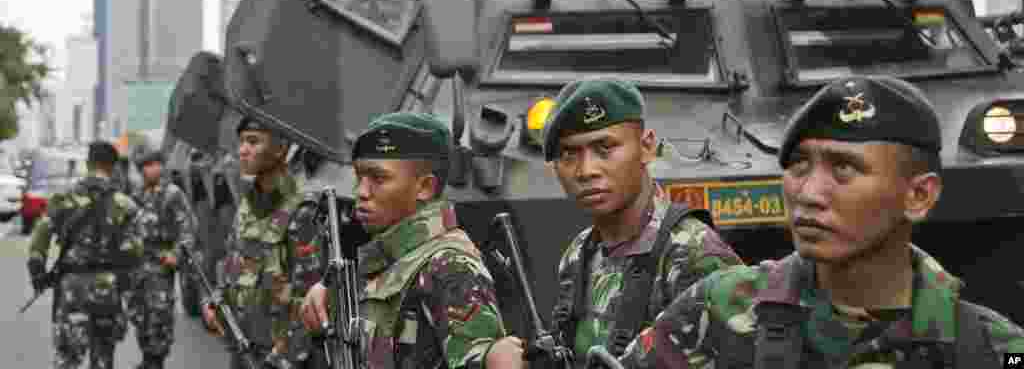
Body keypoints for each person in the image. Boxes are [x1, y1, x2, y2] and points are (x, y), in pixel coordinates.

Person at [611, 75, 1024, 368]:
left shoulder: (991, 347)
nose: (808, 193)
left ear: (919, 195)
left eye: (844, 169)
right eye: (798, 166)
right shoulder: (719, 310)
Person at [488, 78, 743, 368]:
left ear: (646, 148)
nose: (586, 170)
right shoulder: (580, 253)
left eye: (605, 148)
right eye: (569, 154)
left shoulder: (695, 256)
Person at [300, 112, 506, 369]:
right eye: (360, 177)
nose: (361, 193)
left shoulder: (450, 265)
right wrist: (330, 297)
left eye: (378, 178)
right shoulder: (391, 258)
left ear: (425, 188)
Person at [201, 117, 322, 369]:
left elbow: (309, 302)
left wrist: (280, 360)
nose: (242, 150)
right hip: (244, 348)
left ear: (280, 149)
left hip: (279, 357)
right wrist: (215, 300)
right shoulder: (247, 205)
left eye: (253, 142)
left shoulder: (302, 210)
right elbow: (235, 268)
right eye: (241, 142)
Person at [27, 141, 144, 369]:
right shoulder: (126, 205)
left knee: (68, 359)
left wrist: (38, 275)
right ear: (112, 168)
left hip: (71, 289)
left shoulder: (63, 198)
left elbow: (40, 238)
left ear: (87, 163)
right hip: (107, 293)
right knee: (102, 360)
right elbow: (136, 252)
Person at [123, 149, 199, 369]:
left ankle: (156, 361)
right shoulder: (135, 195)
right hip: (137, 266)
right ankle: (147, 358)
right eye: (147, 165)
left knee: (159, 314)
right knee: (139, 314)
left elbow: (188, 228)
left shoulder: (172, 193)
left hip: (159, 266)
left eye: (156, 163)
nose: (153, 168)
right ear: (141, 170)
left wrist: (176, 255)